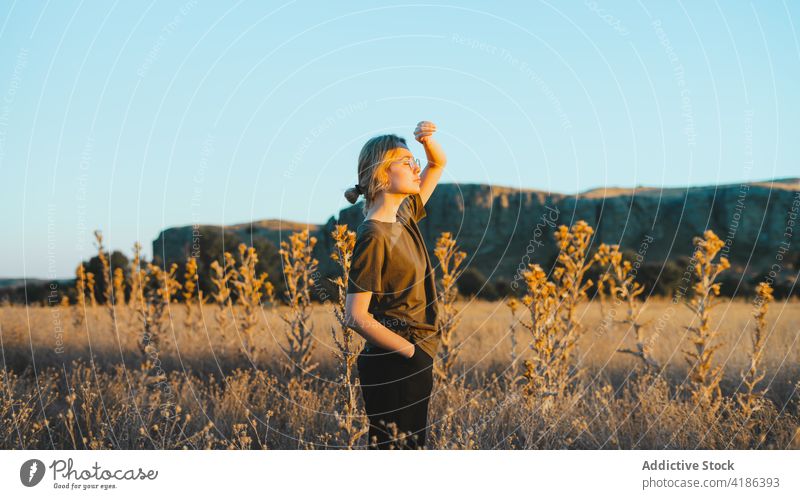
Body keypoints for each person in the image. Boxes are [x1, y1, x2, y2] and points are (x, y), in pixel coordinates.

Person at [343, 121, 447, 449]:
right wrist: (411, 352)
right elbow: (355, 316)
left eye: (413, 160)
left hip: (414, 358)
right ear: (382, 174)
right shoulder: (373, 235)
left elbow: (437, 163)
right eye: (406, 161)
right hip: (395, 363)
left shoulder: (405, 216)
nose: (416, 166)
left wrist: (426, 141)